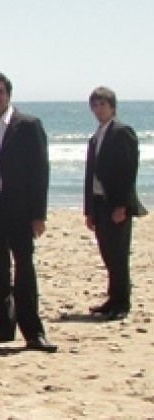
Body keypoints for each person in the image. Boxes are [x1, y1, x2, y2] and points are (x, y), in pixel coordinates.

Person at [0, 71, 57, 353]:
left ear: (8, 94)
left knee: (24, 270)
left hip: (18, 209)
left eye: (0, 92)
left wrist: (38, 214)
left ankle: (33, 332)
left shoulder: (27, 125)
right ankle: (3, 325)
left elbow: (40, 171)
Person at [84, 86, 146, 321]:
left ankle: (122, 302)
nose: (98, 109)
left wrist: (122, 205)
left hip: (116, 203)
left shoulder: (122, 132)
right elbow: (90, 175)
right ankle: (113, 298)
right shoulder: (96, 136)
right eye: (95, 105)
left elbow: (129, 171)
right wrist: (89, 209)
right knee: (107, 251)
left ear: (112, 106)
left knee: (118, 254)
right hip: (99, 201)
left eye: (102, 104)